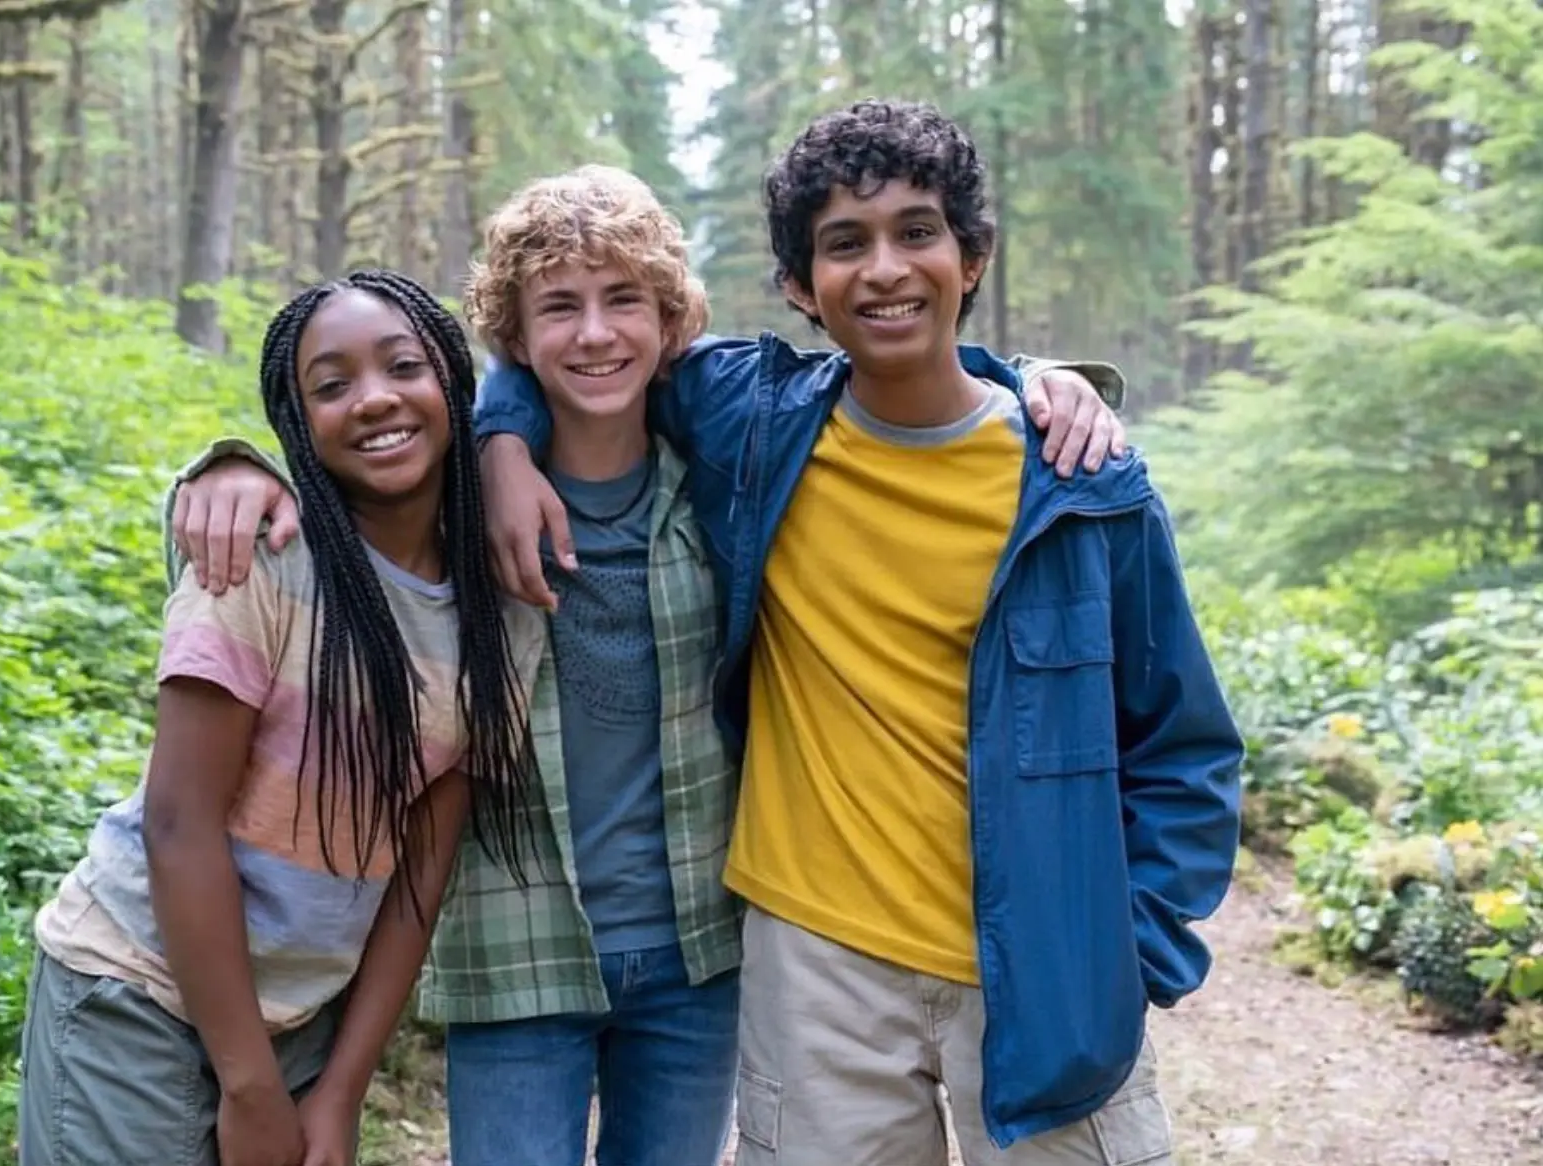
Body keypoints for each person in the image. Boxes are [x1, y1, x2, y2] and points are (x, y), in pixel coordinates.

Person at [165, 176, 1125, 1166]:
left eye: (623, 299)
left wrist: (1037, 377)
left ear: (670, 320)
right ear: (514, 334)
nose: (593, 334)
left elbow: (896, 381)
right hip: (517, 949)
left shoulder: (727, 481)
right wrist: (231, 469)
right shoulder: (450, 511)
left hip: (698, 956)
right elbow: (327, 515)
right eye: (558, 308)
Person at [475, 100, 1244, 1166]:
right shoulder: (754, 424)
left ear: (971, 256)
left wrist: (1133, 951)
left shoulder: (1077, 479)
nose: (884, 268)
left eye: (916, 231)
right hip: (816, 965)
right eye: (845, 243)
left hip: (1046, 971)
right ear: (799, 284)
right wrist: (498, 443)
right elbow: (571, 339)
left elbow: (1183, 743)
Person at [18, 270, 545, 1166]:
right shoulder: (262, 565)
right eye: (331, 385)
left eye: (402, 366)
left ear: (454, 383)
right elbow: (179, 825)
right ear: (297, 421)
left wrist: (339, 1090)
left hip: (299, 1020)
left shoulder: (500, 617)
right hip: (132, 992)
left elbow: (423, 868)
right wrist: (250, 1087)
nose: (374, 399)